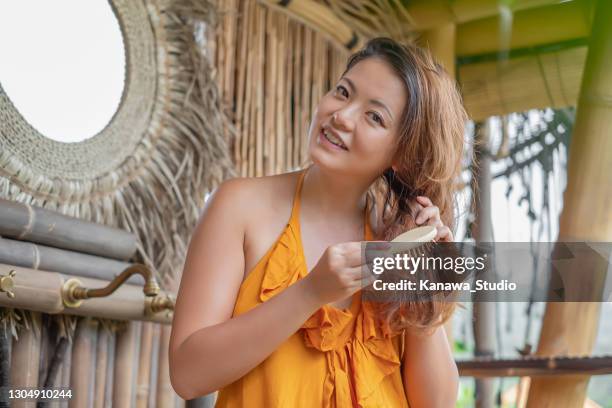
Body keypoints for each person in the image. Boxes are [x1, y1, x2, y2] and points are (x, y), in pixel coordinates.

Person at [169, 37, 467, 407]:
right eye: (343, 92)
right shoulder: (239, 207)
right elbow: (187, 374)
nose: (341, 115)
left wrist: (423, 296)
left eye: (374, 116)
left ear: (402, 156)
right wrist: (310, 292)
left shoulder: (399, 241)